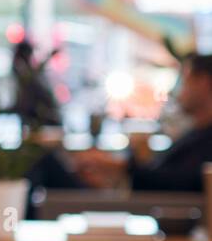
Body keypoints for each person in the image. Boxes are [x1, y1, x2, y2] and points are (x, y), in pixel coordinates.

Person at [74, 53, 212, 192]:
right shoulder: (197, 133)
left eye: (184, 80)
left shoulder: (206, 140)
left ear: (203, 83)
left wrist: (119, 167)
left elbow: (176, 184)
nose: (178, 92)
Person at [11, 40, 62, 128]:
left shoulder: (25, 67)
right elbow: (29, 76)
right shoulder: (19, 67)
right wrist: (49, 57)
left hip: (33, 110)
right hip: (29, 110)